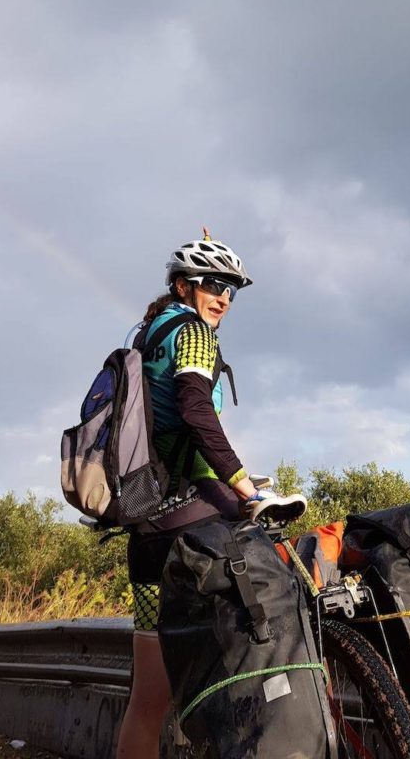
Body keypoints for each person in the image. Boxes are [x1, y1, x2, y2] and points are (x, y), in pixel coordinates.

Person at [116, 230, 304, 759]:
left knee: (148, 702)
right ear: (183, 286)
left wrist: (238, 484)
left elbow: (173, 433)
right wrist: (245, 489)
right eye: (212, 284)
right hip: (193, 528)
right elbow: (197, 411)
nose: (223, 296)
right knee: (283, 600)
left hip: (148, 529)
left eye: (232, 289)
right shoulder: (194, 331)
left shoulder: (147, 333)